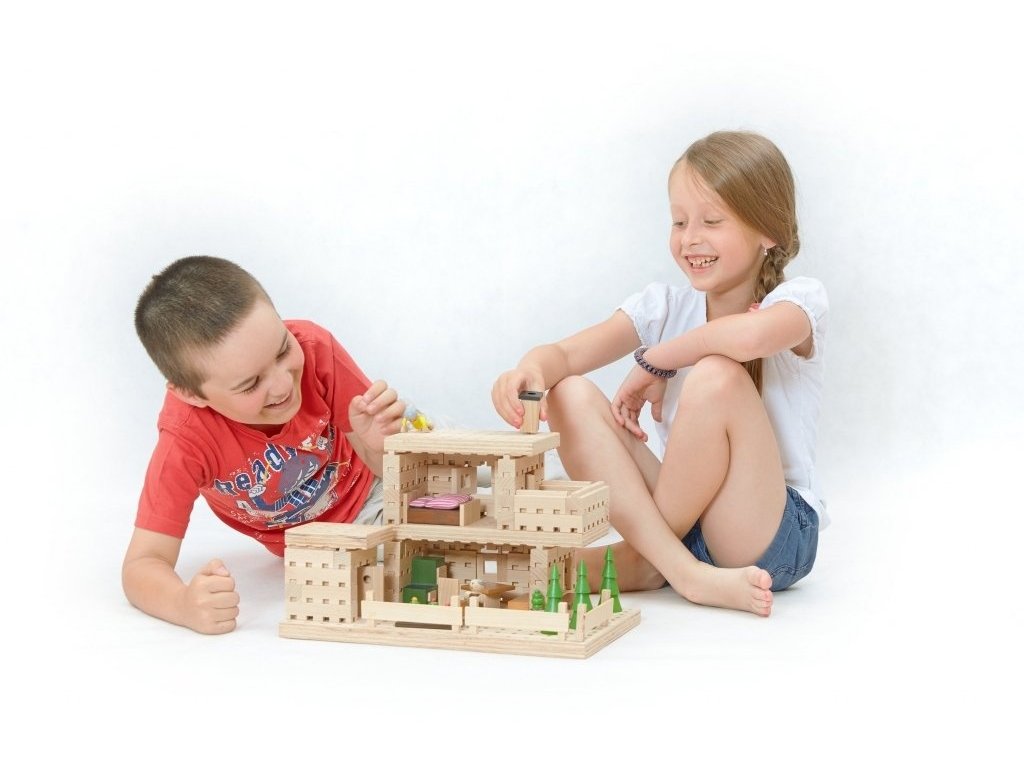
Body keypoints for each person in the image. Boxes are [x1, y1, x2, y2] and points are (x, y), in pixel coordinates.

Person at [492, 131, 827, 617]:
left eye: (712, 221)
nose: (690, 239)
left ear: (768, 231)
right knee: (569, 394)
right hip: (685, 523)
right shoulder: (664, 306)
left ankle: (647, 562)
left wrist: (659, 359)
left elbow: (748, 339)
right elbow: (564, 354)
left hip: (767, 530)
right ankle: (675, 566)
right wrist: (529, 371)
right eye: (679, 221)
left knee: (716, 374)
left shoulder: (797, 303)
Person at [124, 256, 406, 634]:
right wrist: (182, 604)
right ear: (191, 394)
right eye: (250, 384)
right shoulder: (186, 441)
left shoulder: (315, 348)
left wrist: (381, 448)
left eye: (282, 349)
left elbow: (393, 468)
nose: (283, 385)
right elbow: (142, 564)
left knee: (463, 464)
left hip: (382, 468)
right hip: (339, 538)